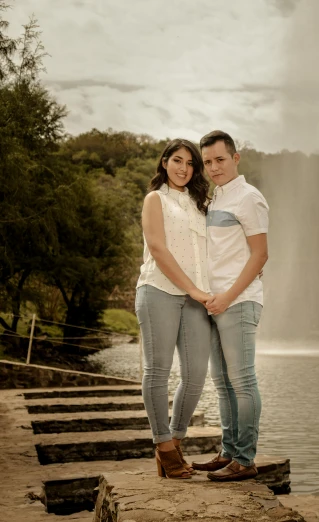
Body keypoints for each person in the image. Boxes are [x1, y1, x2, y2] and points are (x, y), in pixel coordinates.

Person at [191, 130, 269, 482]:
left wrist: (228, 297)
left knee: (242, 381)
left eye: (219, 159)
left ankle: (246, 459)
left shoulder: (249, 198)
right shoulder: (215, 199)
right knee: (222, 383)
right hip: (214, 301)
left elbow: (260, 255)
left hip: (237, 302)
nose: (213, 167)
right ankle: (228, 451)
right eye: (207, 162)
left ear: (235, 158)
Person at [135, 138, 212, 479]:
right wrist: (193, 288)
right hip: (159, 290)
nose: (183, 168)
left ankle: (175, 441)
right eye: (177, 160)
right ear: (164, 162)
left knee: (196, 374)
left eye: (190, 163)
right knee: (158, 370)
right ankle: (163, 446)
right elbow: (158, 248)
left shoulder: (201, 204)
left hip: (197, 299)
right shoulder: (156, 199)